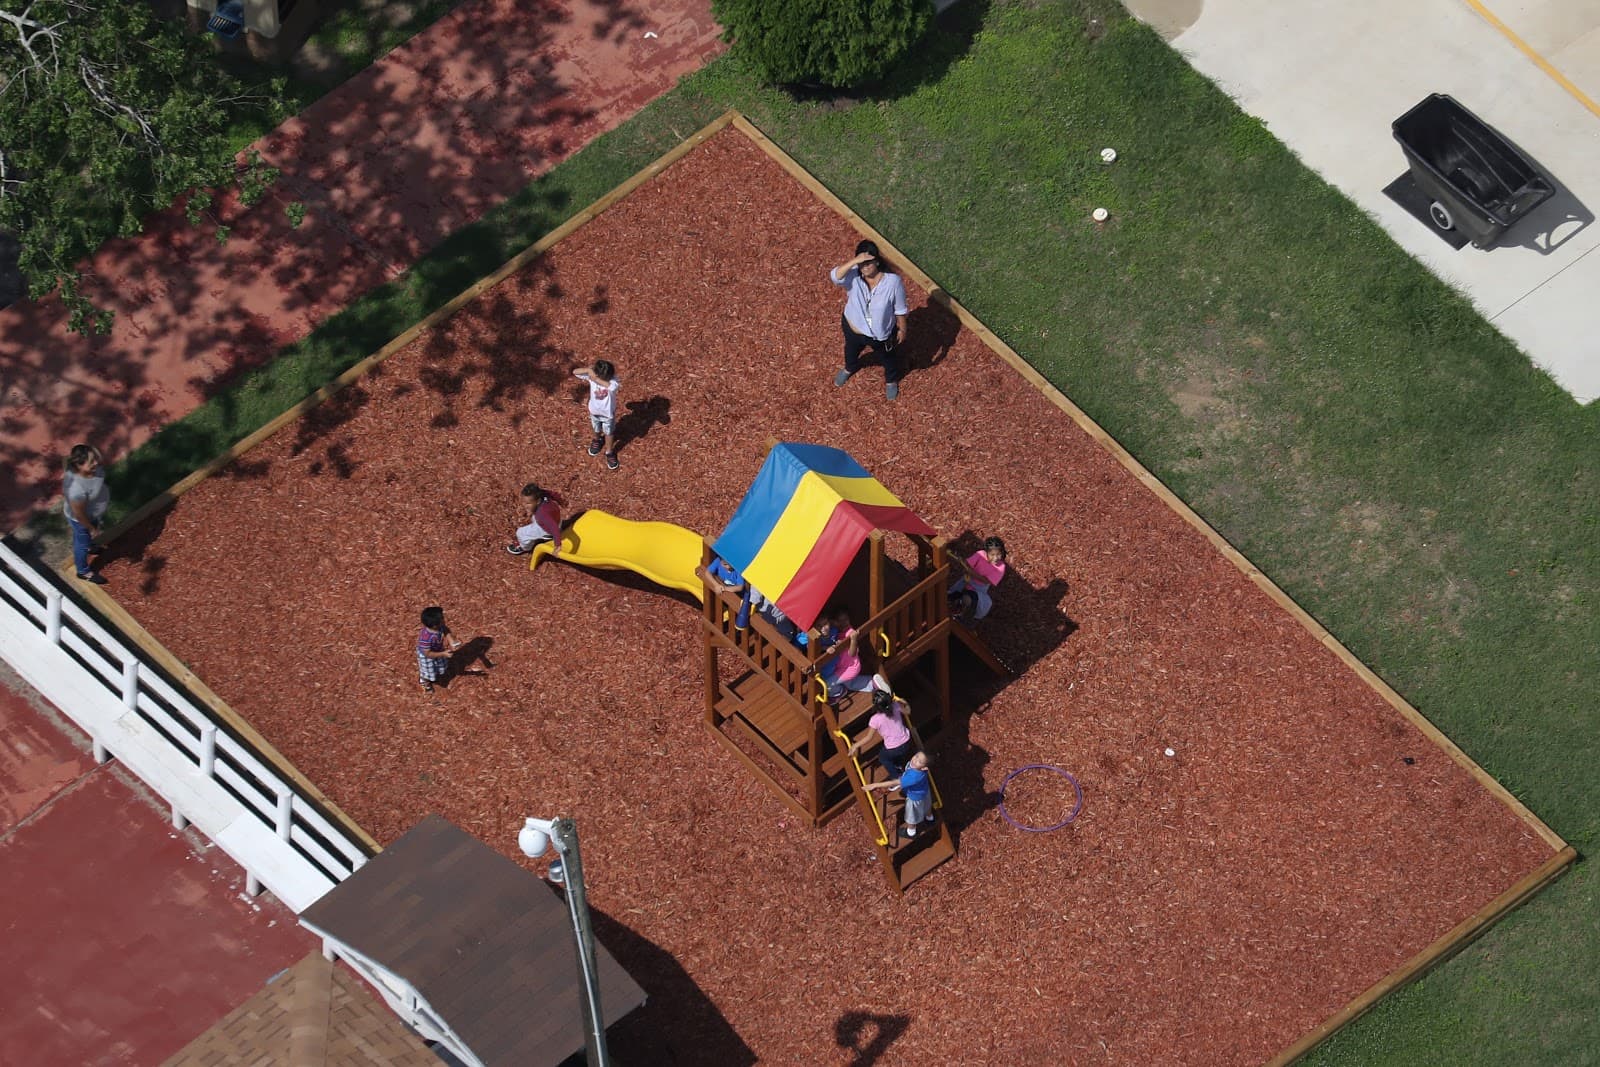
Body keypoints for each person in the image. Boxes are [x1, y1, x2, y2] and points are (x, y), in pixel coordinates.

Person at [830, 239, 910, 400]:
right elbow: (835, 277)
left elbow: (900, 308)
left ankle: (891, 381)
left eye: (868, 262)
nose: (864, 267)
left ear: (878, 262)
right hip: (853, 329)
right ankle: (849, 368)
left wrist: (902, 328)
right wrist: (855, 261)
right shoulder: (853, 276)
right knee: (850, 352)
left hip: (880, 335)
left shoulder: (893, 282)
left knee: (888, 358)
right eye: (861, 263)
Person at [62, 443, 111, 583]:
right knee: (81, 543)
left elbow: (65, 460)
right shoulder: (76, 490)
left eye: (95, 458)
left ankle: (90, 546)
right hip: (82, 521)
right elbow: (79, 514)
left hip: (93, 513)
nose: (96, 462)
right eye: (91, 462)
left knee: (86, 540)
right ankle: (83, 571)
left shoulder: (92, 470)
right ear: (79, 466)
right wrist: (91, 529)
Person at [849, 686, 917, 780]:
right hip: (906, 741)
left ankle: (896, 778)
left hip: (893, 748)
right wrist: (904, 702)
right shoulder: (896, 705)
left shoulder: (875, 720)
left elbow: (868, 738)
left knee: (883, 757)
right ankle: (898, 765)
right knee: (898, 754)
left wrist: (855, 746)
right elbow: (908, 711)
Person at [865, 751, 935, 838]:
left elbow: (895, 782)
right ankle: (930, 818)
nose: (915, 760)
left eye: (919, 761)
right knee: (927, 806)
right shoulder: (919, 770)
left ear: (924, 768)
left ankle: (911, 832)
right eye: (916, 756)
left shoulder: (914, 776)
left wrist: (875, 785)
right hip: (924, 791)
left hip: (914, 799)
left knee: (911, 817)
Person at [815, 607, 875, 697]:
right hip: (841, 667)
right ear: (834, 622)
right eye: (840, 620)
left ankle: (839, 692)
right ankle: (871, 683)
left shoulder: (850, 633)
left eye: (846, 619)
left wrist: (853, 639)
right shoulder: (836, 631)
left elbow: (852, 654)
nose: (844, 622)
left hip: (850, 667)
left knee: (827, 685)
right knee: (850, 684)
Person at [574, 360, 621, 470]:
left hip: (608, 415)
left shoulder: (613, 381)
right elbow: (575, 372)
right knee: (596, 428)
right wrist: (588, 370)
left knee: (609, 433)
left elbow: (612, 387)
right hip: (594, 412)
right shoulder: (592, 376)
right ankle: (597, 440)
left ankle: (609, 452)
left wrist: (595, 378)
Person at [948, 536, 1008, 622]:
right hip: (966, 580)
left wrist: (972, 573)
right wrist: (966, 568)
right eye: (992, 555)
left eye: (998, 554)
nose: (995, 558)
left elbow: (986, 581)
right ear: (986, 552)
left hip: (979, 589)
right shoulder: (980, 554)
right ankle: (953, 605)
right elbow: (968, 564)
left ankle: (963, 616)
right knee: (953, 594)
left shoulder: (1001, 567)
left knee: (969, 599)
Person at [506, 484, 565, 556]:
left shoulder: (542, 514)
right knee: (534, 517)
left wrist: (557, 545)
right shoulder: (543, 493)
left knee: (520, 533)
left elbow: (554, 528)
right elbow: (554, 495)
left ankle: (523, 547)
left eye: (528, 503)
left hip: (547, 529)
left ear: (538, 501)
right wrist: (561, 502)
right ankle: (548, 535)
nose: (525, 505)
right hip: (557, 519)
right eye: (524, 502)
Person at [416, 606, 462, 692]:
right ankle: (424, 682)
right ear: (434, 625)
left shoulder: (439, 627)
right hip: (427, 657)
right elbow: (427, 653)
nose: (444, 620)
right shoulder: (426, 638)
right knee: (427, 672)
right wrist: (443, 654)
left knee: (441, 666)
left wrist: (451, 641)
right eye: (442, 619)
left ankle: (434, 674)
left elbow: (445, 629)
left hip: (438, 651)